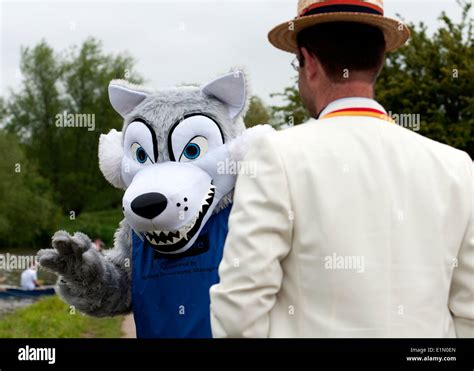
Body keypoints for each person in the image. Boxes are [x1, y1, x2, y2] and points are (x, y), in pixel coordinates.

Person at [210, 0, 473, 338]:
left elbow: (239, 307)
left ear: (309, 62)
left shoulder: (275, 154)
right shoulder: (456, 166)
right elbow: (469, 314)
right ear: (379, 60)